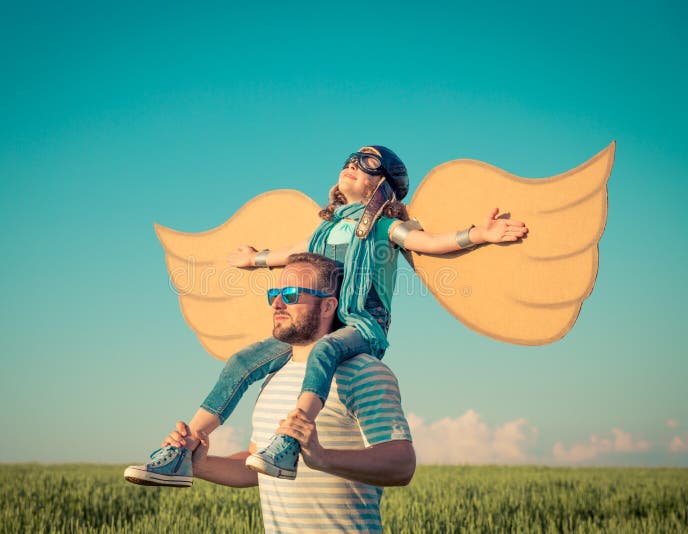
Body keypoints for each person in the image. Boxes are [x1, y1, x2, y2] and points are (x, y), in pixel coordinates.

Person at [124, 145, 528, 484]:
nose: (353, 165)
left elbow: (430, 242)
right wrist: (255, 260)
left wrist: (479, 234)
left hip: (358, 325)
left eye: (367, 163)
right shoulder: (324, 229)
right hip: (314, 328)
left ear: (384, 183)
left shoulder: (384, 227)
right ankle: (183, 449)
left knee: (324, 353)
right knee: (243, 361)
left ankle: (291, 438)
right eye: (351, 159)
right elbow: (292, 252)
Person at [160, 253, 417, 532]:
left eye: (292, 295)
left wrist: (322, 457)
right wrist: (199, 465)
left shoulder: (364, 372)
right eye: (275, 293)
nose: (277, 303)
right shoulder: (273, 377)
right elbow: (256, 465)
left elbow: (401, 465)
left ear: (328, 305)